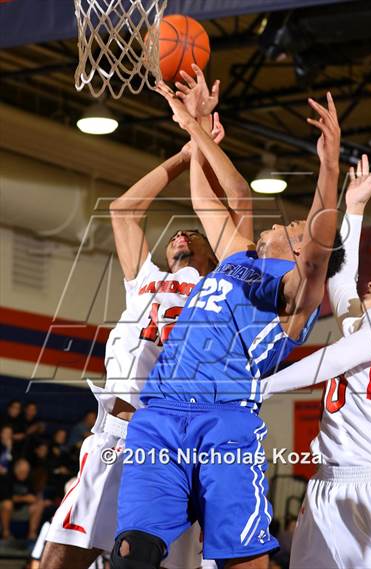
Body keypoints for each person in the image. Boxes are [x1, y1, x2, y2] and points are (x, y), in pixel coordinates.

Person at [111, 70, 342, 569]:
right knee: (132, 554)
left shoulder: (294, 291)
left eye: (296, 225)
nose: (288, 221)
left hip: (227, 422)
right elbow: (212, 198)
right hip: (161, 416)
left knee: (240, 562)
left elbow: (321, 244)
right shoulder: (239, 255)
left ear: (301, 250)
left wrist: (329, 169)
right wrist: (193, 128)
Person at [41, 87, 234, 569]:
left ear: (213, 253)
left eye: (193, 234)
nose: (181, 237)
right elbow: (123, 211)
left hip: (171, 441)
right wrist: (185, 152)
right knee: (57, 560)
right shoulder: (145, 281)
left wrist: (205, 148)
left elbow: (227, 213)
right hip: (113, 434)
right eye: (174, 237)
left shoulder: (218, 289)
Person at [260, 156, 371, 568]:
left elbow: (328, 361)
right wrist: (355, 209)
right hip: (328, 481)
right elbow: (340, 280)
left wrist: (259, 386)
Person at [0, 458, 45, 544]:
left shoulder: (28, 480)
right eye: (22, 472)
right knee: (7, 504)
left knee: (39, 505)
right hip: (7, 509)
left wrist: (24, 498)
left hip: (24, 509)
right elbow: (6, 497)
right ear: (16, 470)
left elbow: (33, 497)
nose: (24, 474)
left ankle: (32, 534)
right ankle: (6, 532)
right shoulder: (7, 478)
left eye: (26, 472)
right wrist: (24, 498)